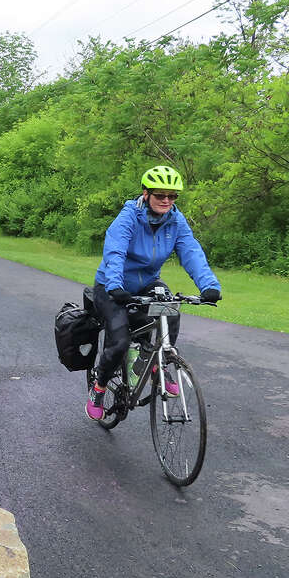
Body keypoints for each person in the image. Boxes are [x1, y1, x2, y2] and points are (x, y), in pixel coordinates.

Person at [86, 165, 221, 421]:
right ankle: (99, 388)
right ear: (146, 193)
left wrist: (208, 285)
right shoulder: (128, 217)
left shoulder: (175, 220)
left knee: (171, 312)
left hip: (148, 282)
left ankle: (157, 364)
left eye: (172, 196)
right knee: (120, 342)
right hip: (112, 285)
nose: (167, 201)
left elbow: (191, 251)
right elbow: (115, 251)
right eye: (161, 195)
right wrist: (115, 285)